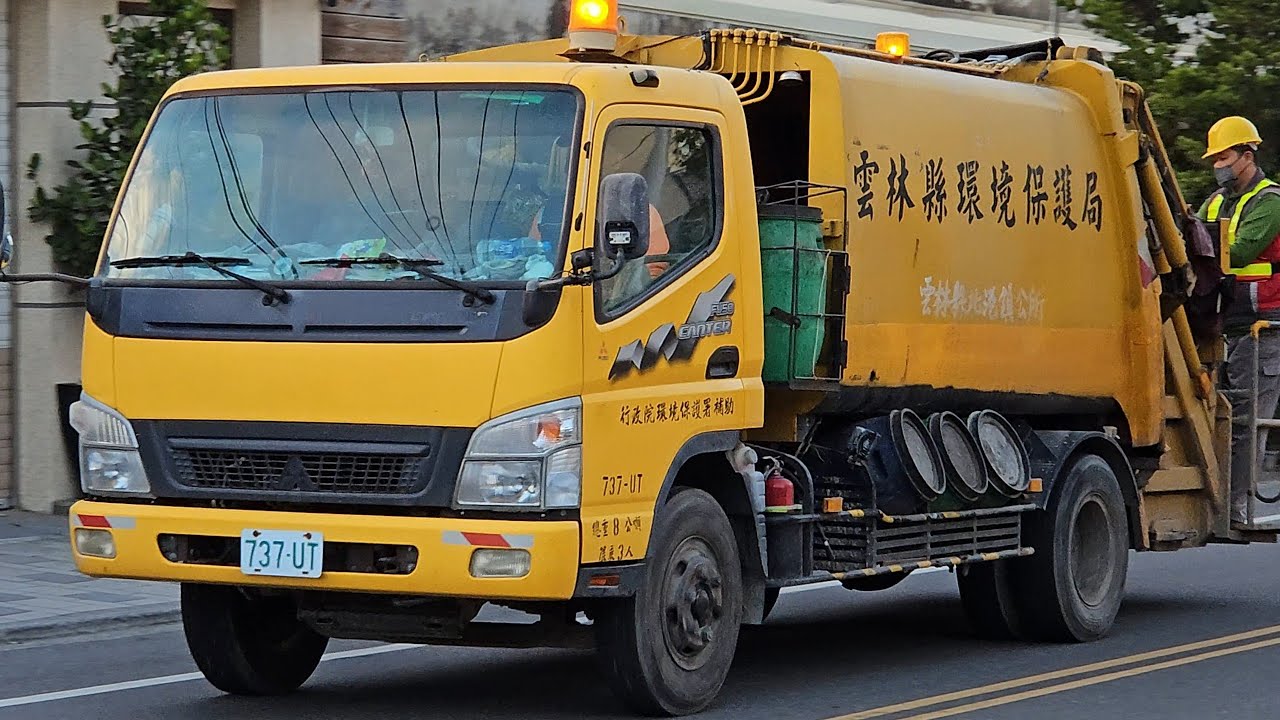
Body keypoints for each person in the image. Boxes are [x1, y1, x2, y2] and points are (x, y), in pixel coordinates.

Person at [1197, 116, 1280, 525]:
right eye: (1215, 159)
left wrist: (1206, 248)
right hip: (1225, 323)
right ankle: (1217, 503)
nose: (1219, 165)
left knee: (1248, 419)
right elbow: (1189, 239)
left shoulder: (1270, 201)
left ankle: (1239, 507)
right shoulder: (1215, 202)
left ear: (1247, 156)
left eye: (1225, 157)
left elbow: (1242, 251)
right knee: (1220, 415)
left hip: (1263, 325)